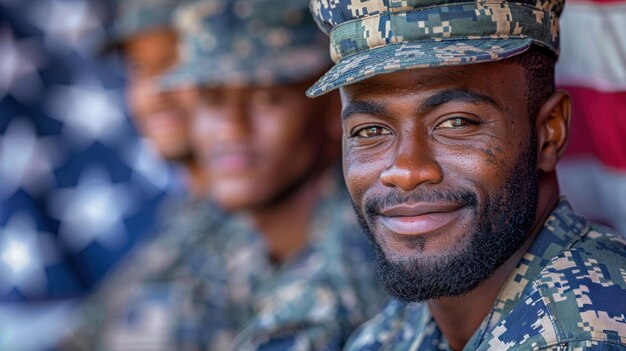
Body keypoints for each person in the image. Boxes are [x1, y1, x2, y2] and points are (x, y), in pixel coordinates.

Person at [305, 0, 626, 350]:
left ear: (550, 133)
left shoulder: (583, 333)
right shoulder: (399, 328)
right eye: (369, 131)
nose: (406, 172)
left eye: (456, 123)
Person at [161, 0, 385, 349]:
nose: (232, 130)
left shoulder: (366, 254)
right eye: (213, 99)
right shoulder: (213, 242)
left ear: (332, 108)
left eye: (266, 98)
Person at [59, 1, 256, 350]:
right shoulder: (180, 219)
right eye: (139, 68)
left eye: (175, 63)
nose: (155, 92)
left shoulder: (271, 220)